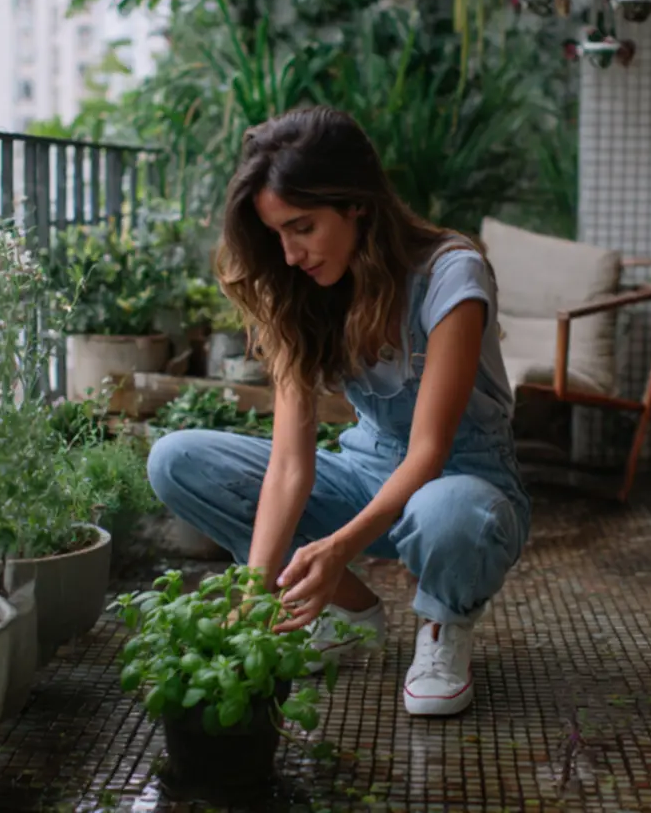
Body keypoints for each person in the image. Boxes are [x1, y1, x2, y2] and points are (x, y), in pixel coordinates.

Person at [147, 106, 531, 717]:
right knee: (178, 459)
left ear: (357, 204)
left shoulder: (450, 275)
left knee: (450, 513)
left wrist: (338, 547)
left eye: (302, 227)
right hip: (367, 469)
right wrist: (253, 596)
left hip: (464, 477)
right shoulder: (301, 287)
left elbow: (431, 451)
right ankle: (348, 610)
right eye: (277, 234)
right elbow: (289, 467)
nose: (290, 254)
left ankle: (442, 629)